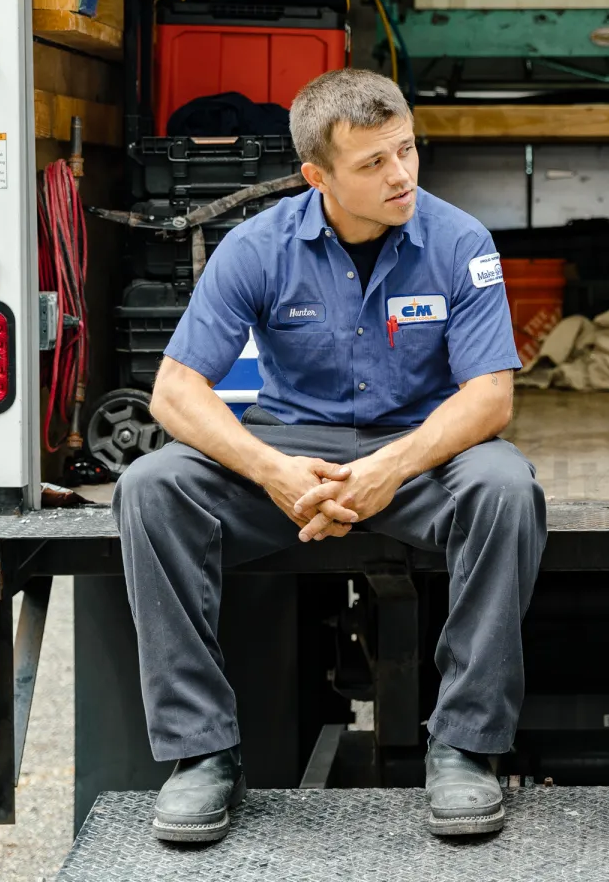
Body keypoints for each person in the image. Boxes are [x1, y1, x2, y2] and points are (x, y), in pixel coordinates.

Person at [114, 69, 543, 844]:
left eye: (406, 150)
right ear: (318, 177)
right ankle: (202, 754)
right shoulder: (259, 246)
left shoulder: (459, 241)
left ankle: (466, 748)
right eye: (373, 164)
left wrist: (391, 469)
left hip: (420, 455)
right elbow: (175, 393)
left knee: (506, 486)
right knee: (151, 487)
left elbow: (489, 399)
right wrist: (270, 470)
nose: (401, 175)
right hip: (292, 456)